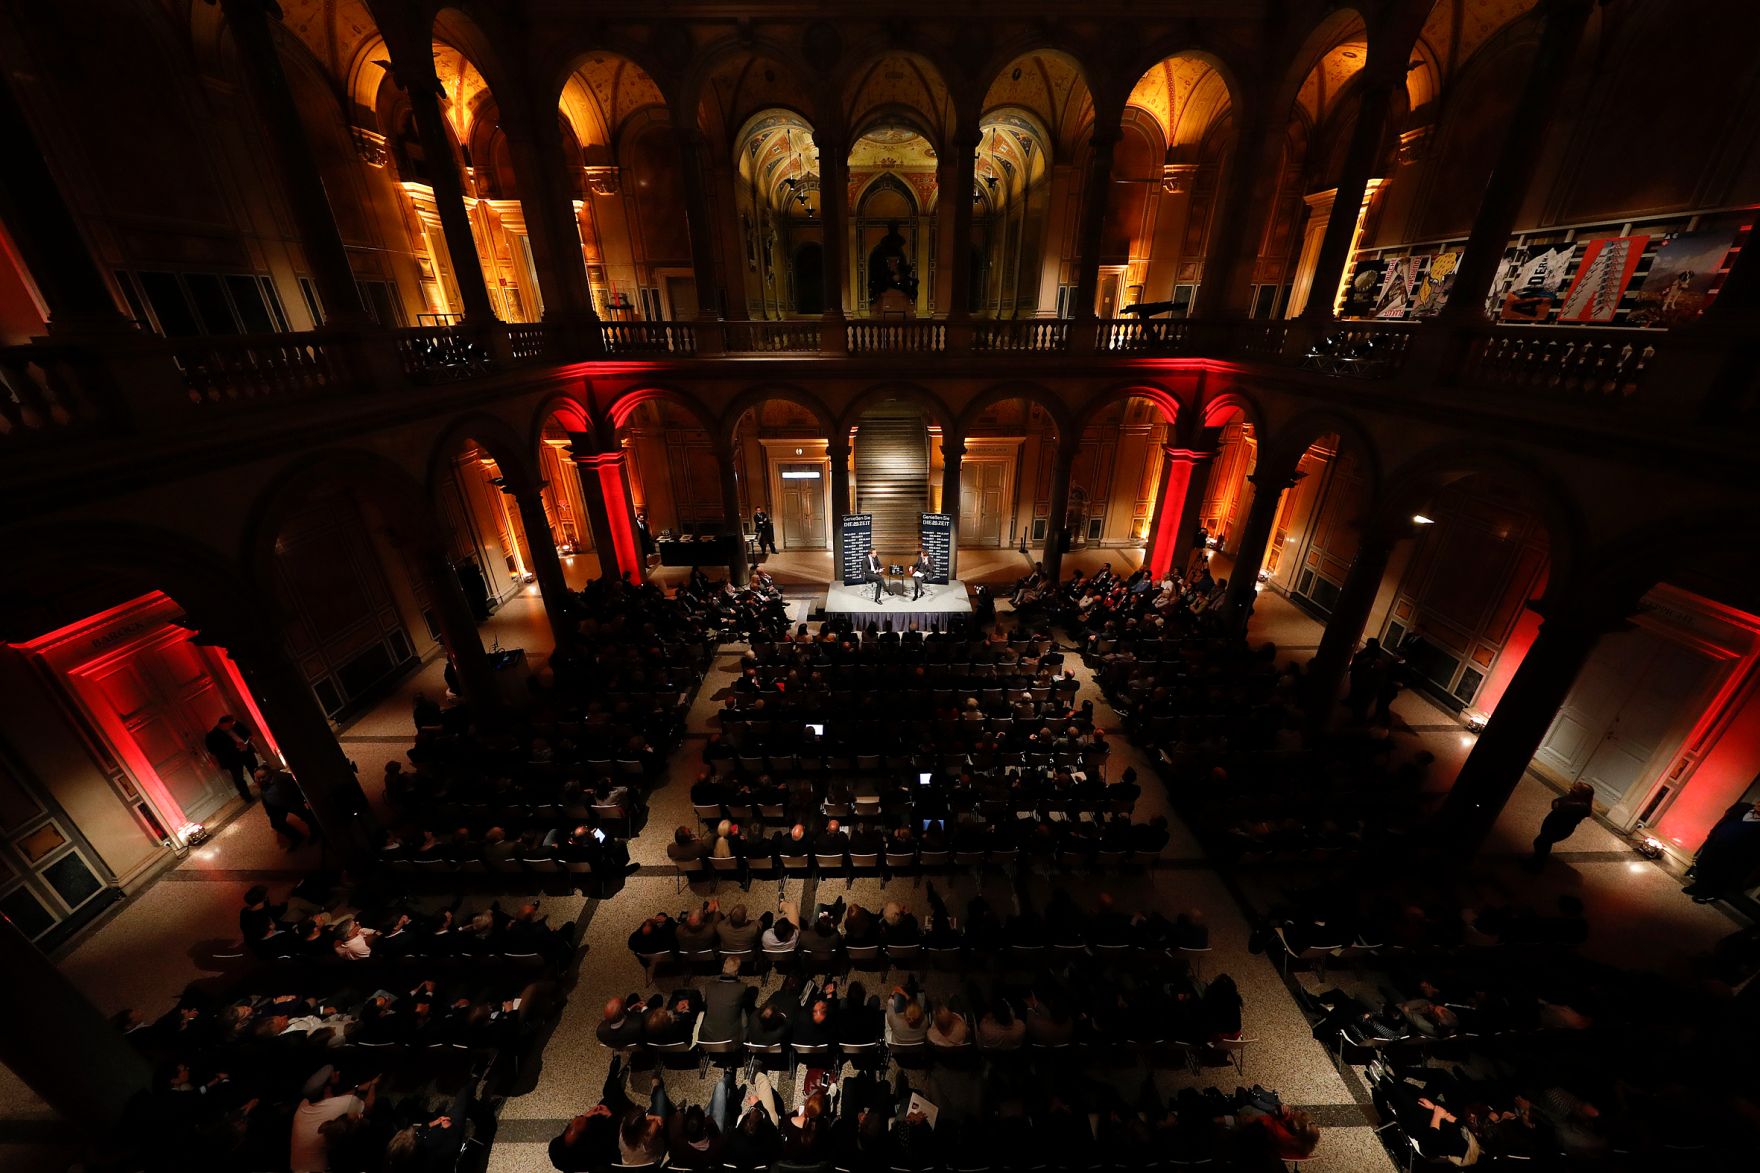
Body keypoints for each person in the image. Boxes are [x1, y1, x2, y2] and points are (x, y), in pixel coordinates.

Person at [290, 1065, 377, 1173]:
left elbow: (334, 1101)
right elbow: (369, 1107)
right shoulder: (347, 1101)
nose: (338, 1072)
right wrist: (373, 1084)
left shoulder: (303, 1105)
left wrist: (357, 1088)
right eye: (334, 1073)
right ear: (328, 1086)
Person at [1529, 781, 1596, 868]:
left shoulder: (1582, 807)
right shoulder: (1572, 798)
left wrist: (1560, 805)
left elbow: (1560, 806)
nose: (1571, 789)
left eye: (1575, 789)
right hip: (1553, 825)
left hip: (1560, 829)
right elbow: (1555, 803)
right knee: (1542, 843)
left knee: (1541, 842)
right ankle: (1536, 862)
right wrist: (1560, 804)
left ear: (1583, 794)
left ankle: (1537, 865)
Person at [255, 765, 318, 851]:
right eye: (258, 778)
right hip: (277, 806)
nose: (261, 780)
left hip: (291, 801)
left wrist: (301, 802)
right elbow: (265, 798)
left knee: (306, 815)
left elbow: (296, 790)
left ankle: (316, 832)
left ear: (270, 774)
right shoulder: (261, 783)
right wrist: (270, 813)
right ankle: (297, 837)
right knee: (276, 823)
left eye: (263, 777)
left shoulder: (282, 778)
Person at [204, 715, 259, 803]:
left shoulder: (236, 725)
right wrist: (233, 747)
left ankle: (265, 788)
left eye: (233, 724)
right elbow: (213, 750)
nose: (232, 726)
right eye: (230, 725)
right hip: (232, 759)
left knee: (255, 771)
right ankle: (247, 797)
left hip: (246, 752)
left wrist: (249, 738)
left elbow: (247, 732)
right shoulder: (212, 735)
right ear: (222, 724)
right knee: (239, 778)